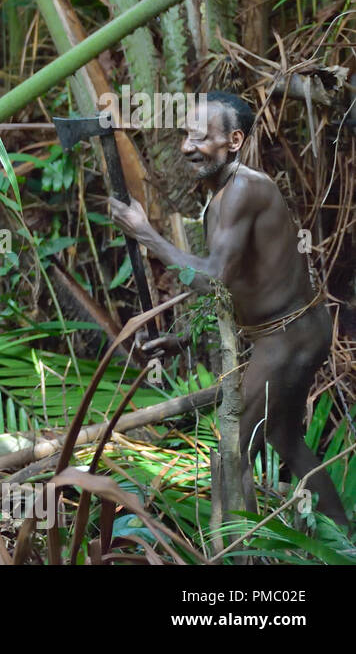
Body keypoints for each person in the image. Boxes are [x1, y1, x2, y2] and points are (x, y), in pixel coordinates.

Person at [109, 91, 347, 526]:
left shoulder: (242, 192)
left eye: (201, 137)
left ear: (234, 141)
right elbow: (236, 286)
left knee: (234, 447)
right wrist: (185, 338)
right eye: (185, 135)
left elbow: (213, 277)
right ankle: (344, 538)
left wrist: (147, 234)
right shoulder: (221, 195)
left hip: (288, 336)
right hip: (288, 330)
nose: (186, 146)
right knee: (282, 437)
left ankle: (240, 554)